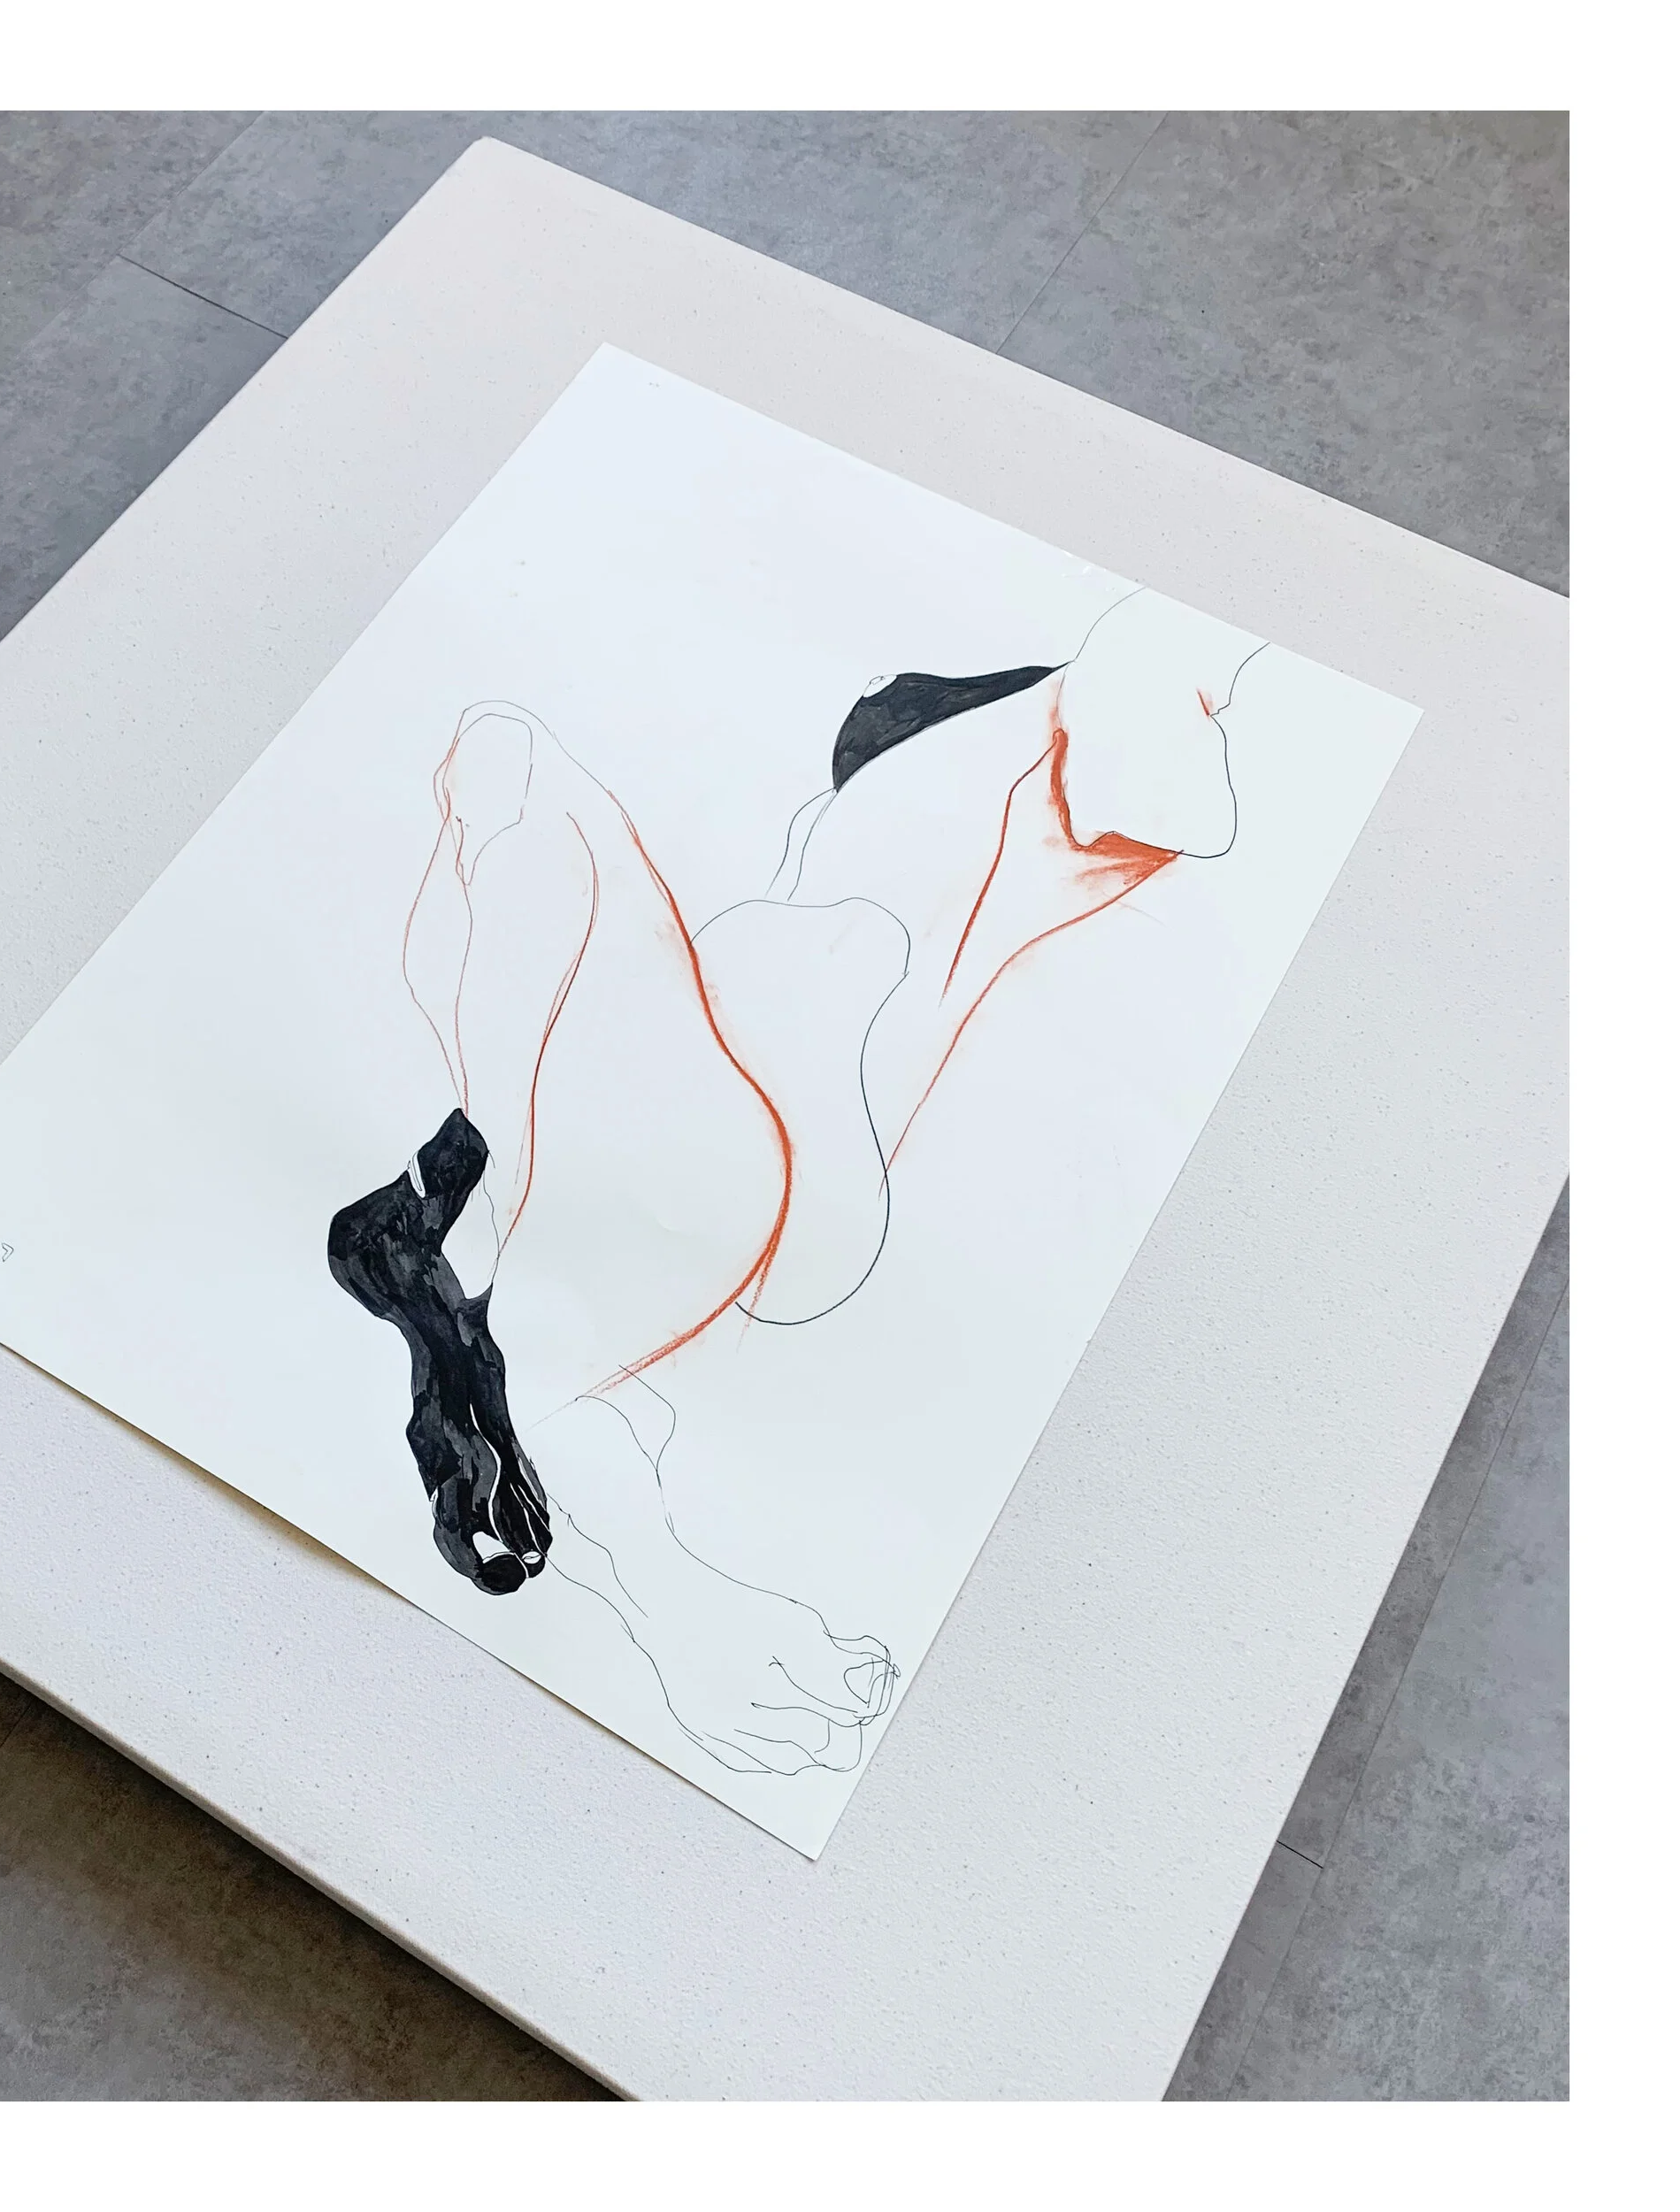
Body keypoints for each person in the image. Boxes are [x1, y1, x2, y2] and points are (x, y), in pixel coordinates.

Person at [329, 588, 1262, 1776]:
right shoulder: (758, 1112)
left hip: (727, 1055)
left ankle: (527, 1309)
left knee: (768, 1172)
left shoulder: (761, 1071)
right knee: (771, 1190)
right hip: (708, 1095)